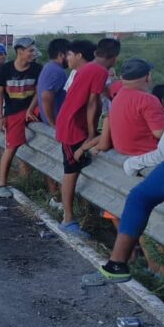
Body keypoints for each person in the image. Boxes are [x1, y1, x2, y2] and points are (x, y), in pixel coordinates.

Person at [82, 55, 164, 287]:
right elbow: (162, 139)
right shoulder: (148, 101)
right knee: (156, 231)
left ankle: (144, 270)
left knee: (141, 224)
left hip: (129, 167)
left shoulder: (117, 99)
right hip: (150, 165)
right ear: (147, 76)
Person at [54, 37, 121, 236]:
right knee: (71, 171)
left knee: (74, 168)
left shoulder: (90, 68)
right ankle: (67, 218)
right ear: (115, 57)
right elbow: (93, 103)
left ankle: (72, 215)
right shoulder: (100, 71)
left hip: (70, 123)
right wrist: (92, 133)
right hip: (73, 127)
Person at [0, 37, 42, 198]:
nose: (33, 54)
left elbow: (38, 91)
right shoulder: (6, 69)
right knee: (11, 148)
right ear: (20, 51)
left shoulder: (36, 68)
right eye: (30, 51)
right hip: (13, 112)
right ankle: (2, 183)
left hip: (31, 110)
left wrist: (31, 109)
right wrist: (0, 115)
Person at [37, 39, 70, 127]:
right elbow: (46, 97)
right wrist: (53, 123)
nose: (70, 57)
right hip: (56, 124)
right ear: (61, 55)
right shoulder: (56, 71)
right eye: (69, 54)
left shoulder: (49, 67)